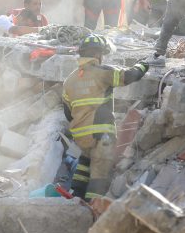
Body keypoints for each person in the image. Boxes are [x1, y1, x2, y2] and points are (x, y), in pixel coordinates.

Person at [62, 34, 149, 201]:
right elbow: (129, 76)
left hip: (81, 136)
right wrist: (144, 65)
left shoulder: (69, 80)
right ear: (97, 55)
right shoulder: (102, 72)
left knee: (85, 163)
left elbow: (67, 112)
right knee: (100, 175)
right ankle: (91, 211)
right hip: (102, 135)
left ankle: (74, 199)